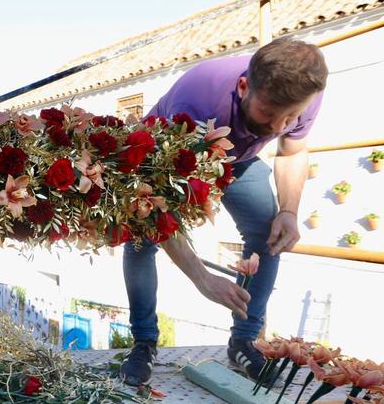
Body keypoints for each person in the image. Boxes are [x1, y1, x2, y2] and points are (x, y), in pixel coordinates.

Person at [120, 38, 328, 386]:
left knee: (268, 230)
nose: (278, 127)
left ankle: (243, 340)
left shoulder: (308, 94)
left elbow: (292, 152)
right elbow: (158, 210)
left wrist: (289, 212)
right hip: (164, 158)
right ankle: (144, 342)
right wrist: (202, 279)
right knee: (142, 239)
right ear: (244, 86)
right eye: (267, 113)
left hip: (236, 161)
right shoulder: (196, 100)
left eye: (289, 117)